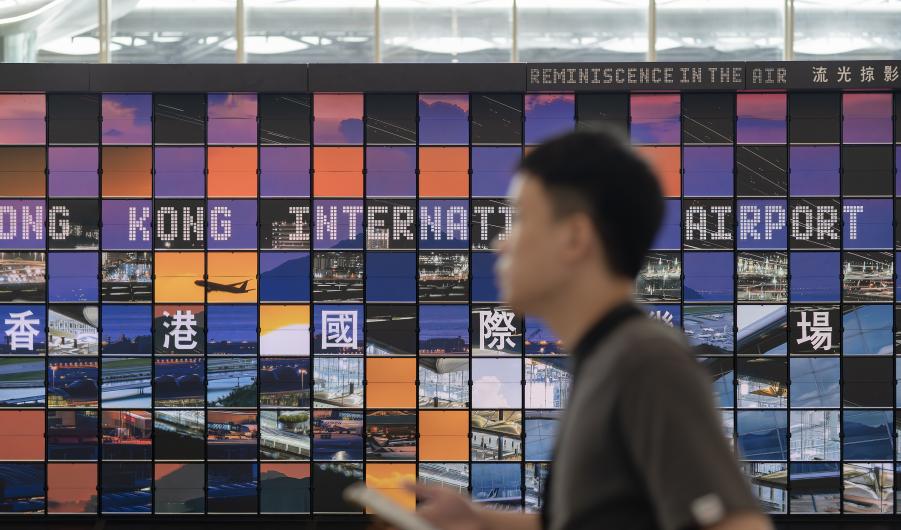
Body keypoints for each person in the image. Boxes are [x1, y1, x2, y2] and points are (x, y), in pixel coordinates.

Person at [401, 130, 774, 530]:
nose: (501, 244)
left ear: (575, 237)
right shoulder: (606, 357)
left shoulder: (645, 360)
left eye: (522, 220)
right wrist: (477, 519)